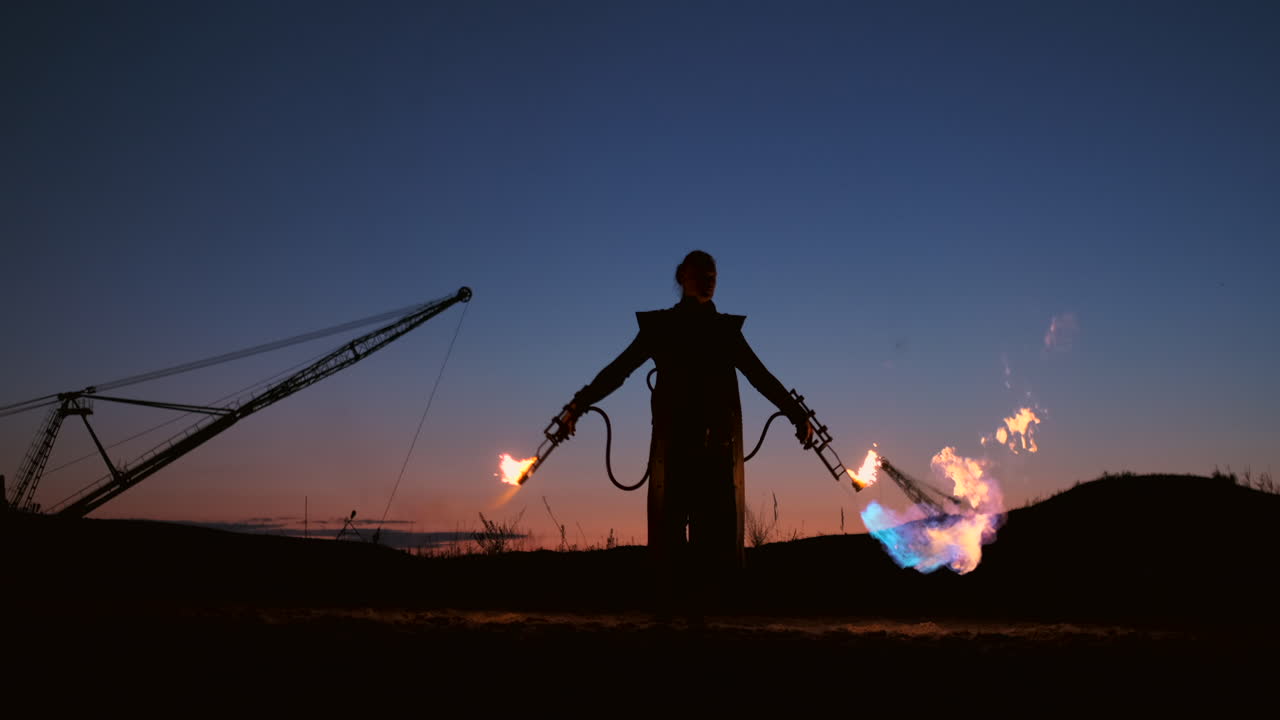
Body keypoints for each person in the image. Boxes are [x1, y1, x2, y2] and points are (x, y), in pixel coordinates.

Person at [558, 250, 814, 615]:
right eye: (701, 274)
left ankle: (711, 614)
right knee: (671, 539)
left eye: (713, 275)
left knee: (716, 540)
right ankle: (674, 615)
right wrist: (578, 406)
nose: (709, 280)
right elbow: (618, 370)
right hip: (675, 451)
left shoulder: (725, 331)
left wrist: (796, 414)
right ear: (682, 277)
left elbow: (760, 376)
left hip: (716, 451)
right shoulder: (661, 328)